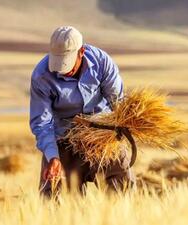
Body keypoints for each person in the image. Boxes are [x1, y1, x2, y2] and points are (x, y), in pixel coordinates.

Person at [29, 26, 135, 197]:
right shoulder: (41, 76)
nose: (63, 68)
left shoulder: (101, 62)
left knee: (121, 185)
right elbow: (42, 123)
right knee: (55, 194)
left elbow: (117, 102)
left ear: (81, 52)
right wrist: (52, 157)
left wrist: (124, 126)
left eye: (67, 62)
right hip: (63, 137)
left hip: (102, 134)